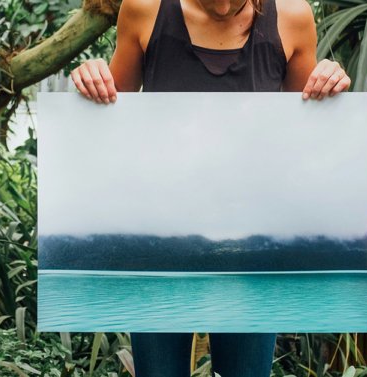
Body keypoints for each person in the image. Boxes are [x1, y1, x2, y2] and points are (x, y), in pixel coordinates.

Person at [69, 0, 350, 373]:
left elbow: (306, 136)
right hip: (159, 244)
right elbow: (109, 112)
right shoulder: (144, 9)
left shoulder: (293, 17)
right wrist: (91, 78)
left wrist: (329, 82)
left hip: (251, 252)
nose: (223, 6)